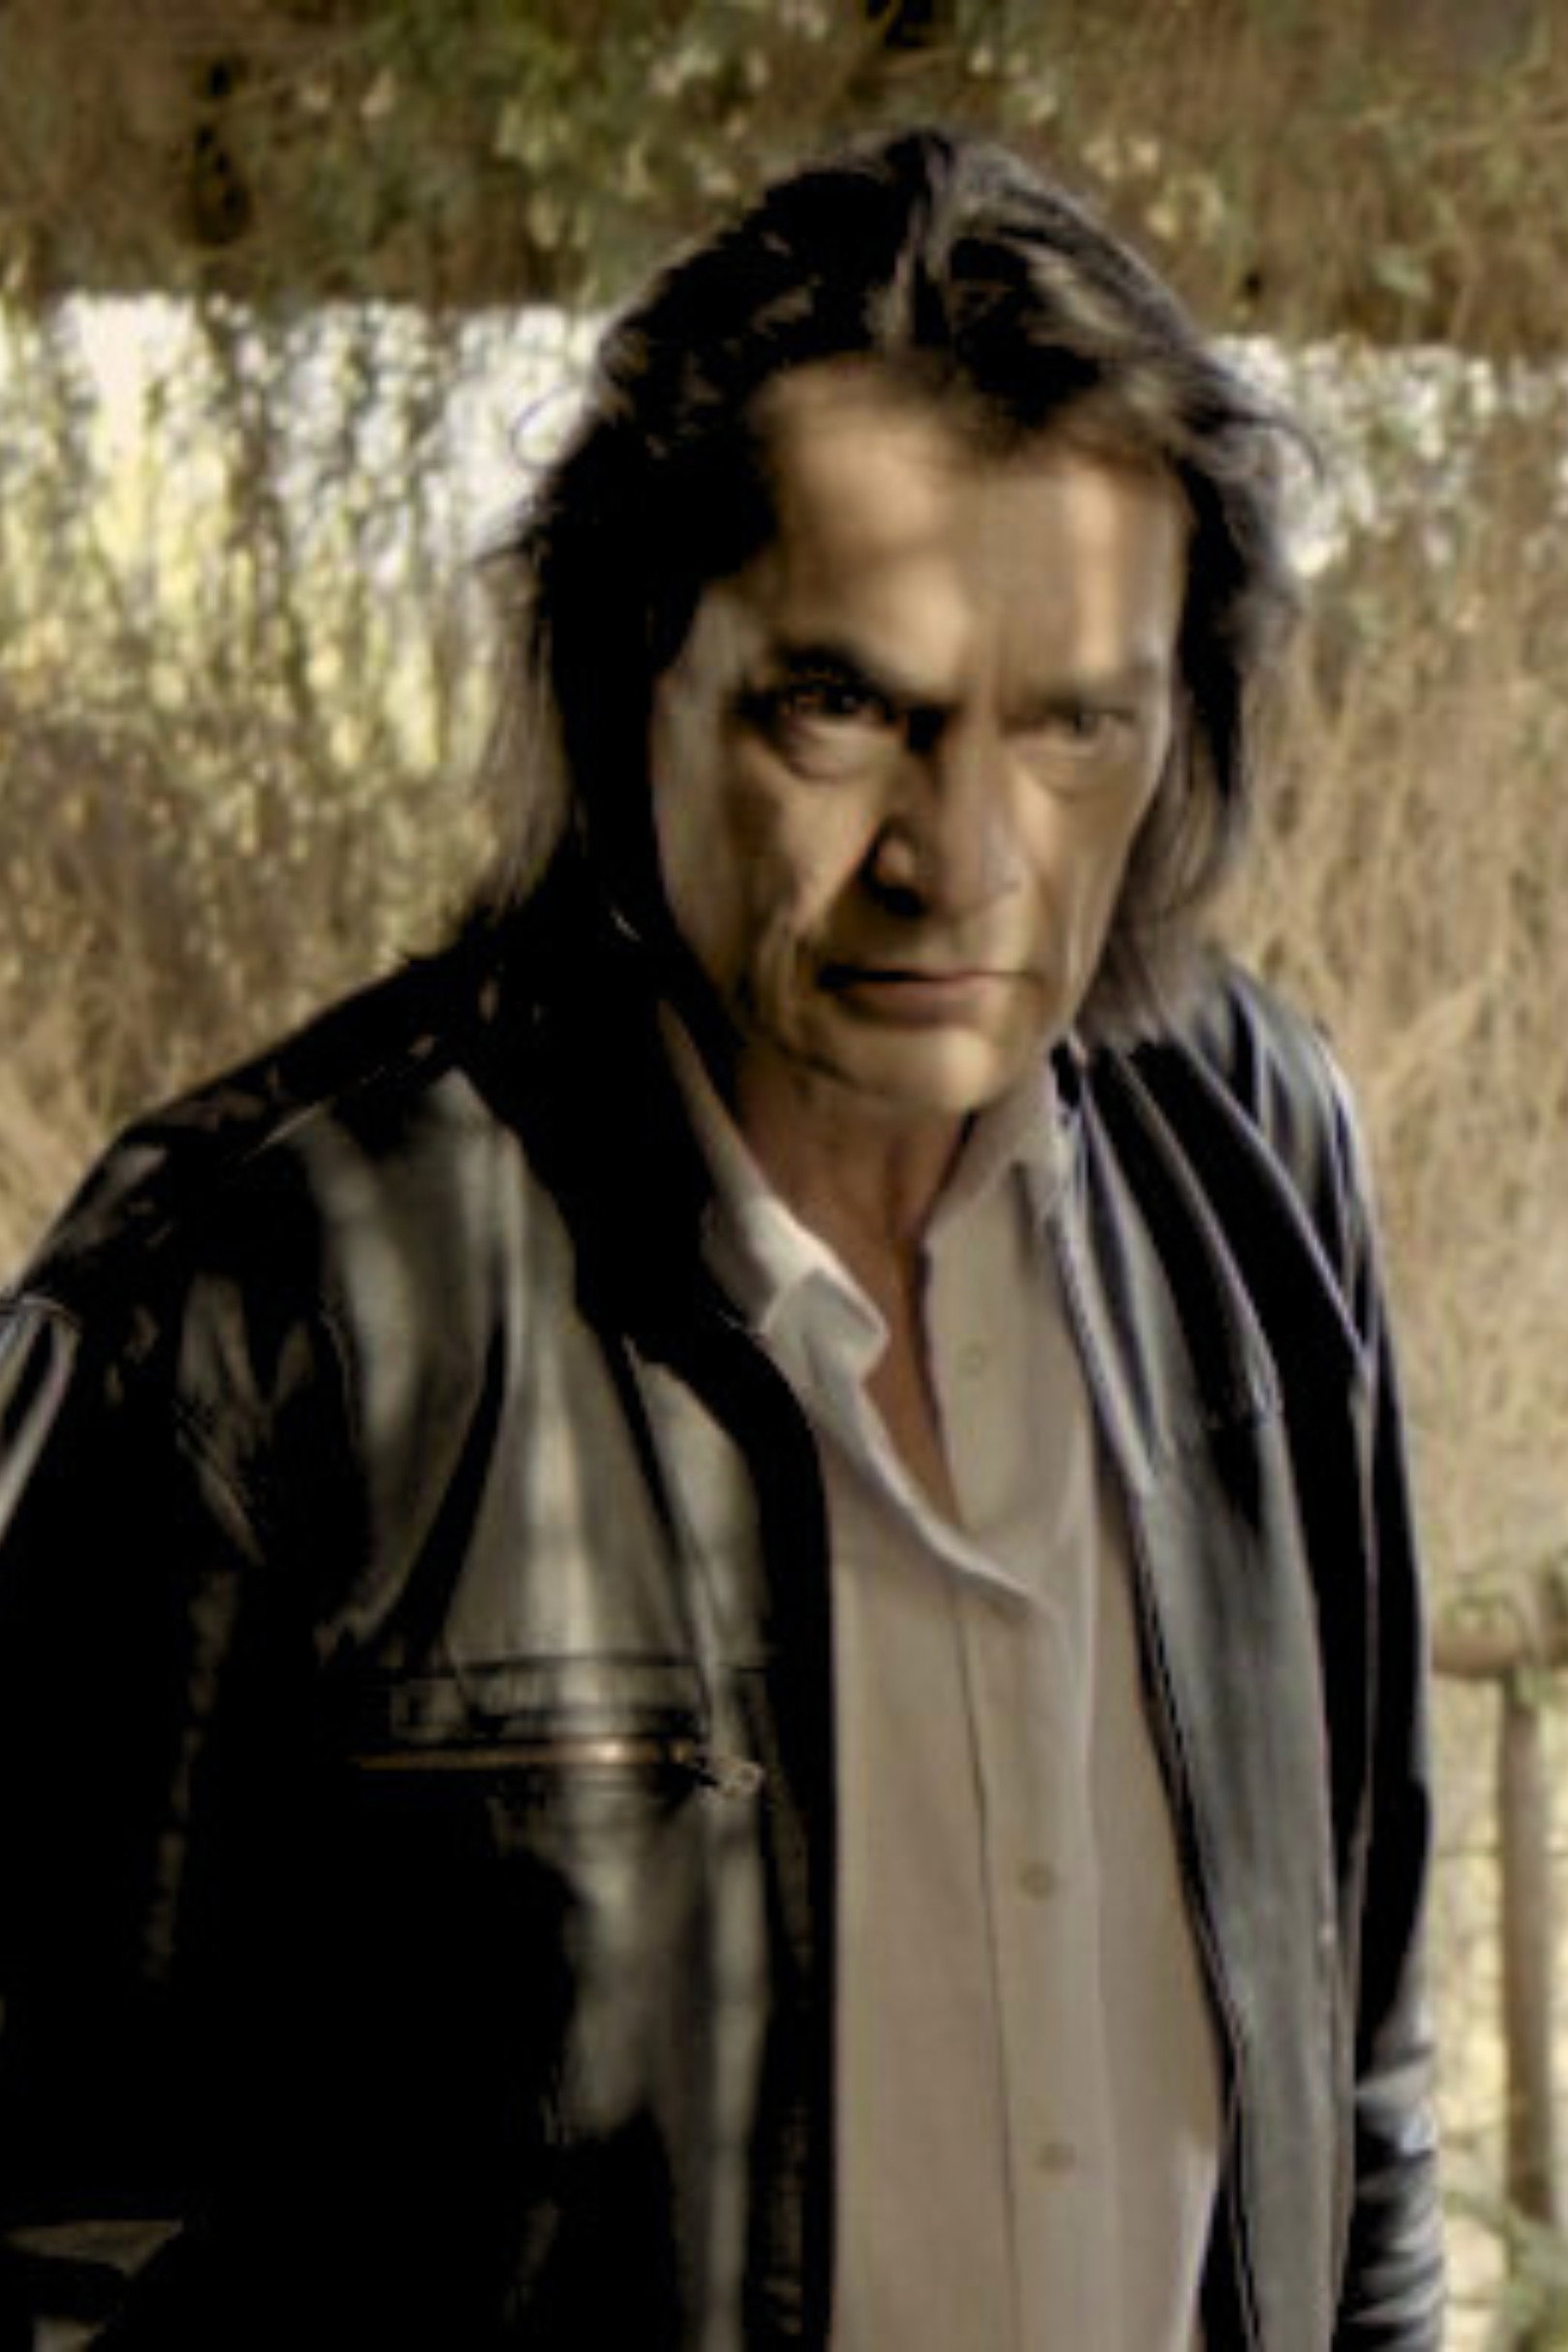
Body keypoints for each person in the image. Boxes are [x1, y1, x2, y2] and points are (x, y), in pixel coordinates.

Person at [0, 126, 1441, 2348]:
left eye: (1076, 723)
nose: (963, 861)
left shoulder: (1254, 1161)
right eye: (842, 704)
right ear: (628, 680)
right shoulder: (254, 1298)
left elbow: (1355, 2101)